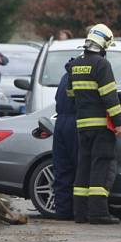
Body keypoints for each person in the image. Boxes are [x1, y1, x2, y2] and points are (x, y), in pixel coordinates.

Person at [69, 23, 121, 224]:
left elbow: (70, 94)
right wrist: (119, 123)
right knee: (100, 167)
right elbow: (110, 97)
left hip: (82, 125)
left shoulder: (75, 64)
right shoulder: (102, 65)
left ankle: (80, 213)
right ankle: (98, 213)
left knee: (83, 166)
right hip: (101, 126)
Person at [52, 70, 77, 220]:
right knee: (80, 168)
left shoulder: (65, 75)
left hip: (60, 122)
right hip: (75, 122)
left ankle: (62, 211)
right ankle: (80, 210)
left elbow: (57, 98)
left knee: (62, 169)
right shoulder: (83, 75)